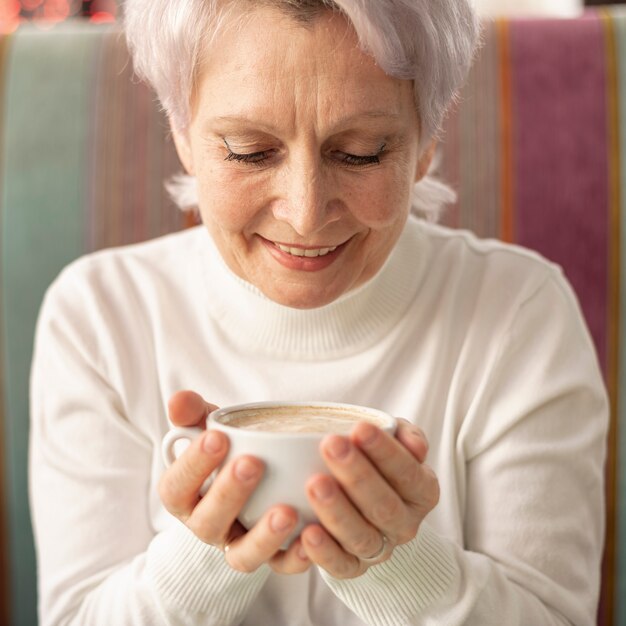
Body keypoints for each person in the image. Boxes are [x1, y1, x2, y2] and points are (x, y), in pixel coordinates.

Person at [29, 1, 607, 624]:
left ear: (427, 143)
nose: (305, 214)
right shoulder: (99, 318)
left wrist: (396, 562)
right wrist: (205, 554)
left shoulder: (519, 315)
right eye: (249, 151)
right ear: (182, 134)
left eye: (360, 153)